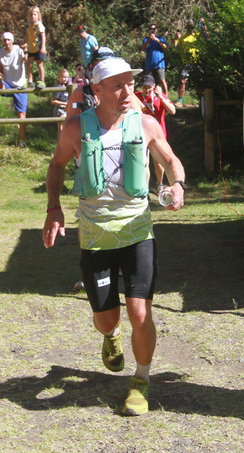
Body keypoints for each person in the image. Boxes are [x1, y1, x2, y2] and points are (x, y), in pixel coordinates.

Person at [43, 57, 187, 417]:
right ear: (97, 91)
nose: (127, 92)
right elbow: (57, 164)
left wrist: (178, 185)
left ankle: (141, 380)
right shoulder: (76, 128)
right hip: (95, 236)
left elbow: (172, 161)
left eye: (129, 84)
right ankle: (110, 337)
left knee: (140, 312)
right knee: (107, 319)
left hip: (138, 231)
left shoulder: (147, 124)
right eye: (117, 86)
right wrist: (53, 208)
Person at [135, 73, 176, 190]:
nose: (146, 90)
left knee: (158, 162)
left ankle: (159, 183)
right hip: (142, 133)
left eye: (149, 87)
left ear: (154, 86)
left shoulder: (160, 96)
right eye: (144, 87)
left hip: (158, 134)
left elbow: (172, 111)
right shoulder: (136, 96)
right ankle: (146, 189)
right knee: (144, 162)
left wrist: (162, 97)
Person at [0, 32, 29, 147]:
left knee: (22, 115)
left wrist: (25, 50)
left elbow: (26, 60)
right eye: (4, 40)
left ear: (12, 41)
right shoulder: (0, 52)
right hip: (8, 84)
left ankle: (21, 141)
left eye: (8, 40)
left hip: (20, 86)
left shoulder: (18, 50)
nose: (6, 42)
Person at [141, 23, 168, 95]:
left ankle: (166, 97)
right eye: (150, 29)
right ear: (148, 30)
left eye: (153, 29)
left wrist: (157, 40)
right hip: (149, 64)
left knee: (162, 80)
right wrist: (149, 40)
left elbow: (165, 48)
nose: (152, 30)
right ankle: (152, 97)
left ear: (156, 30)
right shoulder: (146, 39)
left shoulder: (161, 38)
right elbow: (143, 48)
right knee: (150, 82)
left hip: (159, 64)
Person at [25, 6, 47, 89]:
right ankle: (30, 81)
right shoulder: (30, 26)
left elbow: (43, 36)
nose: (32, 16)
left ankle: (42, 81)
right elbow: (28, 36)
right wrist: (24, 42)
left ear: (38, 15)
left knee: (39, 64)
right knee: (29, 64)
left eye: (34, 14)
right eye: (31, 15)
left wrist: (42, 47)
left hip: (38, 48)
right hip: (31, 48)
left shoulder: (39, 25)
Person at [175, 23, 197, 107]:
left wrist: (203, 24)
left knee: (199, 81)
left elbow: (207, 36)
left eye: (192, 27)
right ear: (186, 27)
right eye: (188, 27)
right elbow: (175, 46)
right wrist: (176, 38)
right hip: (185, 62)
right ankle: (180, 101)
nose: (190, 29)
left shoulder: (197, 36)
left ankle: (199, 100)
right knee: (183, 81)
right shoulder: (183, 38)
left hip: (196, 62)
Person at [51, 67, 71, 136]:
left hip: (66, 109)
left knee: (65, 129)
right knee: (61, 130)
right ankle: (60, 145)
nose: (66, 79)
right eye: (64, 77)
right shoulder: (58, 87)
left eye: (67, 77)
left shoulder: (66, 87)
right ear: (59, 77)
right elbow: (53, 101)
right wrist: (65, 103)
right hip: (60, 110)